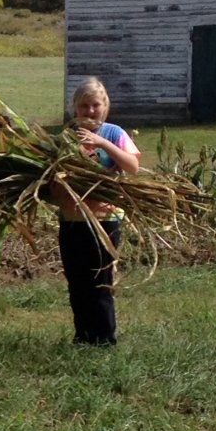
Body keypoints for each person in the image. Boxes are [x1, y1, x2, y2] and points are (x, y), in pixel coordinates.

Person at [54, 77, 140, 346]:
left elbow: (132, 167)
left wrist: (102, 144)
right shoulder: (66, 137)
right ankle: (83, 336)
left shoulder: (115, 133)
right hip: (73, 220)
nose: (90, 112)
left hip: (105, 220)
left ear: (105, 106)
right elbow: (52, 180)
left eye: (95, 105)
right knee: (77, 281)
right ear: (75, 109)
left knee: (100, 281)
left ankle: (104, 338)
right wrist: (63, 198)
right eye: (84, 106)